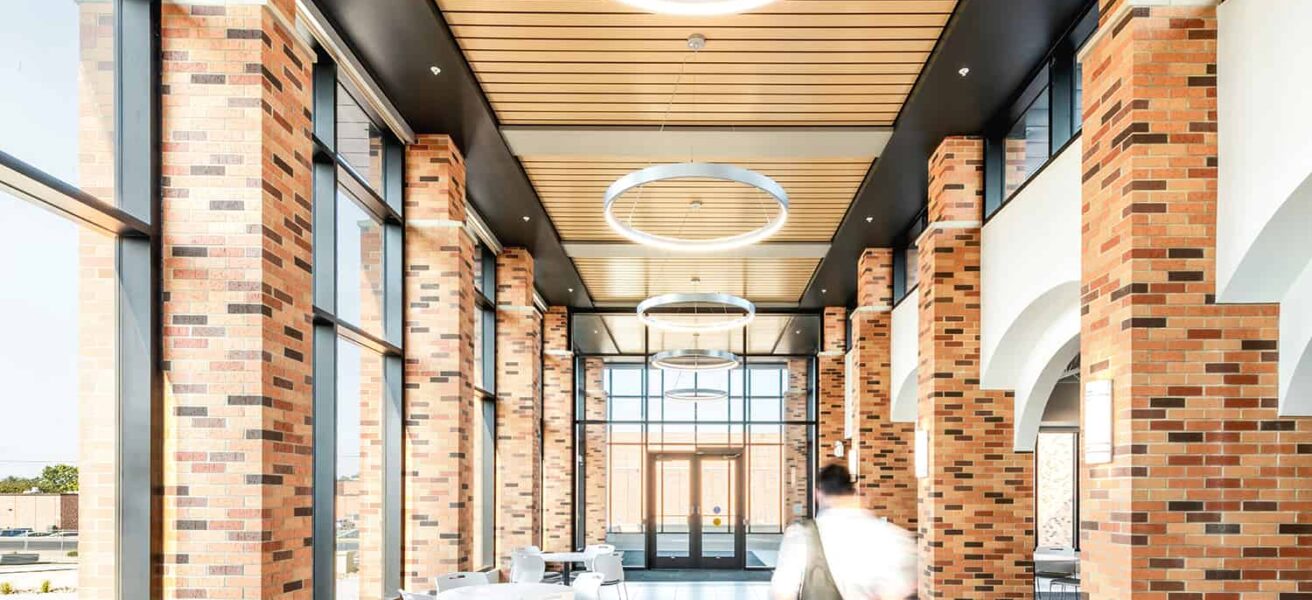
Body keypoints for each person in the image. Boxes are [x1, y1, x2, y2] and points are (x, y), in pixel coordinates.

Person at [770, 463, 916, 600]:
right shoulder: (896, 537)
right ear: (854, 491)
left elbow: (782, 592)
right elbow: (900, 590)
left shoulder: (800, 536)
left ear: (818, 493)